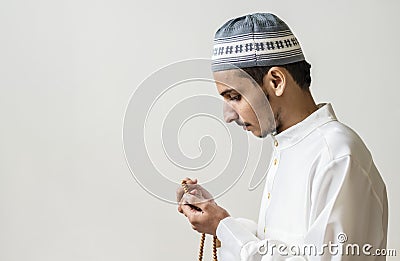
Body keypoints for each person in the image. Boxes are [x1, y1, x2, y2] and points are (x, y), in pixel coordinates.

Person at [177, 13, 388, 260]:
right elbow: (289, 249)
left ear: (276, 81)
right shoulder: (291, 147)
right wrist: (216, 219)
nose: (228, 116)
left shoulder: (337, 154)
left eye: (234, 97)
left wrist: (223, 227)